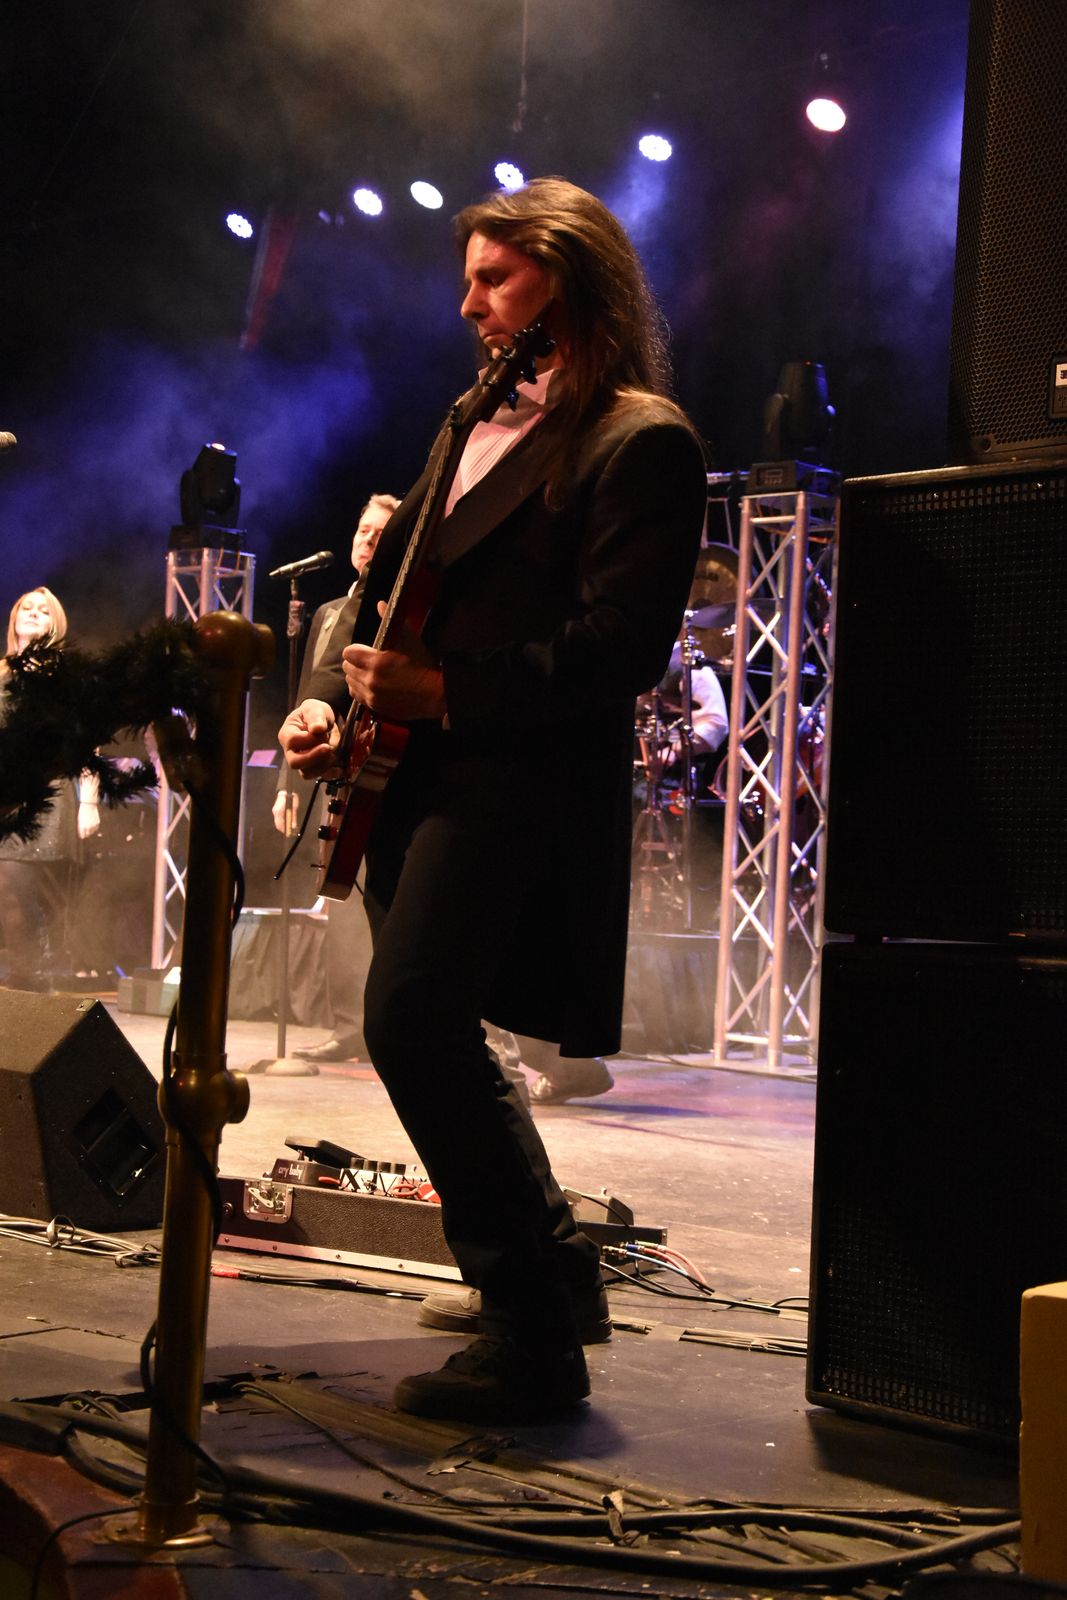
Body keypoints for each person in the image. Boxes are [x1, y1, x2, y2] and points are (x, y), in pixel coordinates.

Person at [279, 177, 707, 1423]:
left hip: (514, 777)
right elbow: (387, 585)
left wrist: (445, 692)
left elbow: (620, 648)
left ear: (564, 276)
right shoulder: (469, 422)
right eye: (466, 279)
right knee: (436, 1025)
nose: (467, 303)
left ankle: (529, 1336)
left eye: (492, 278)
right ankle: (556, 1274)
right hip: (410, 767)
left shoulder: (638, 438)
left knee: (411, 1018)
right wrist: (329, 701)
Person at [273, 494, 400, 1062]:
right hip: (336, 768)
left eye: (380, 533)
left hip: (387, 763)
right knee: (340, 900)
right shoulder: (327, 611)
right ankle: (349, 1026)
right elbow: (310, 693)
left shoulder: (396, 603)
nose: (367, 539)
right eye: (362, 529)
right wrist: (286, 784)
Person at [0, 587, 99, 987]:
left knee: (15, 885)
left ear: (55, 624)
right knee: (9, 890)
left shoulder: (65, 677)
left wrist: (89, 801)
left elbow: (86, 742)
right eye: (27, 607)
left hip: (44, 797)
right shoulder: (0, 672)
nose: (33, 613)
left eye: (43, 610)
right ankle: (26, 974)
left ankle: (31, 976)